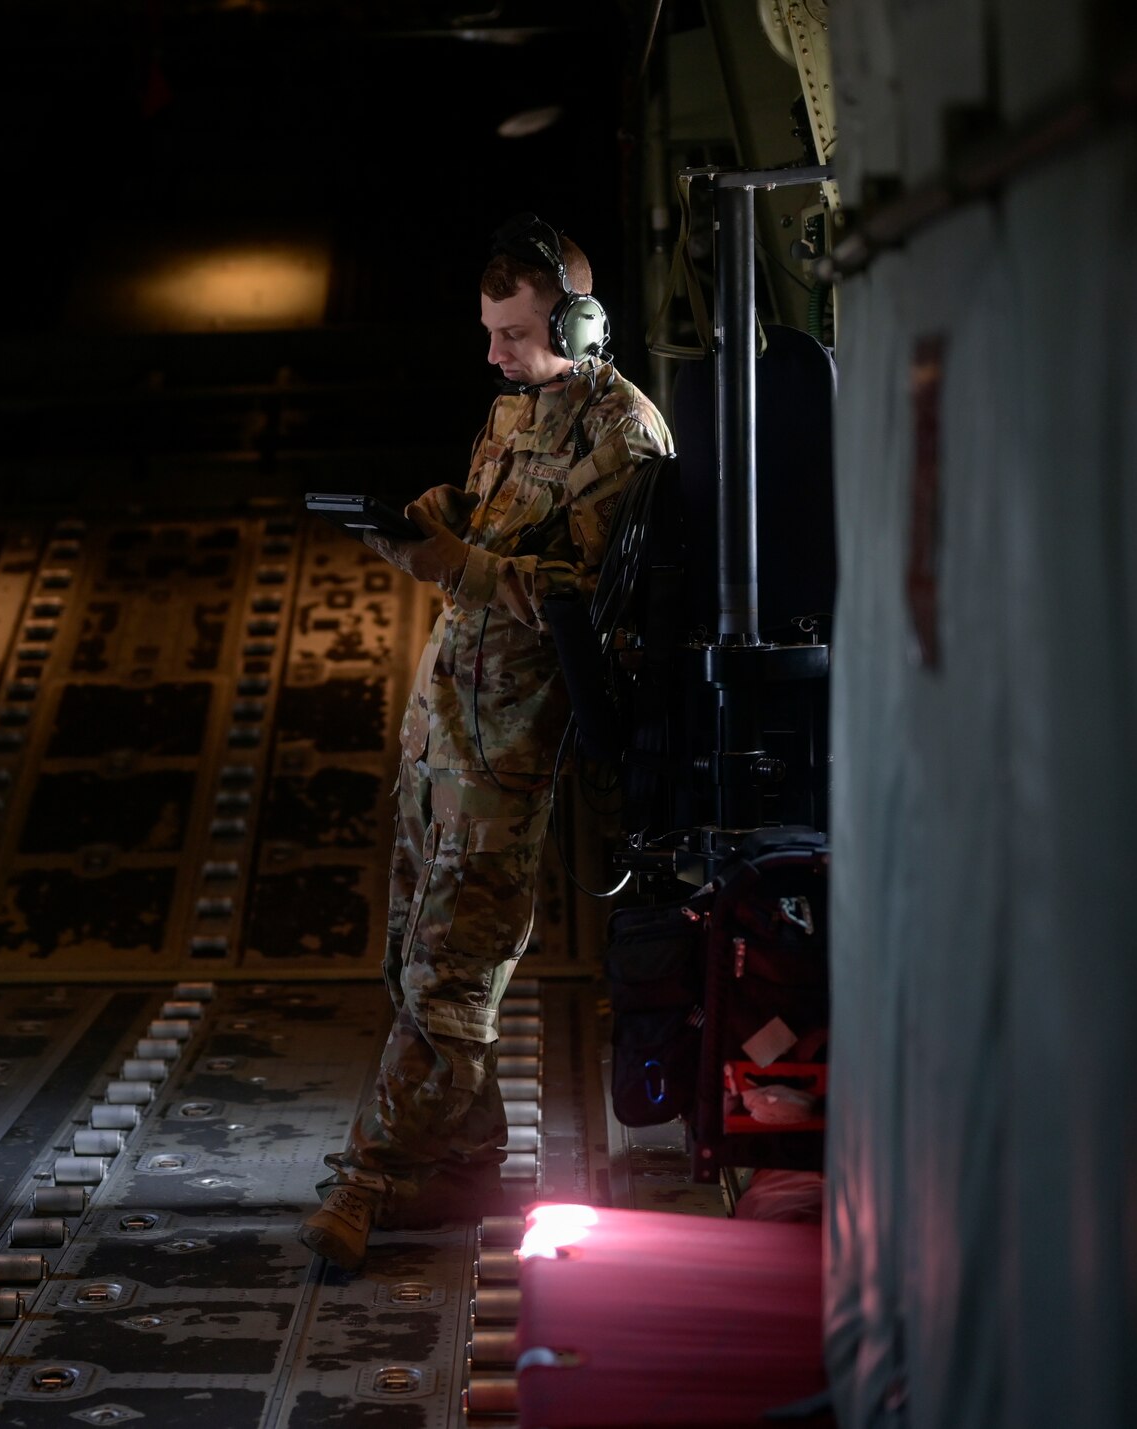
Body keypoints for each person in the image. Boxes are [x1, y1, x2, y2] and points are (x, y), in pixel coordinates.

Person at [298, 215, 673, 1271]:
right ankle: (462, 1167)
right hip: (441, 737)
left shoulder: (624, 439)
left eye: (510, 335)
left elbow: (591, 605)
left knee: (448, 980)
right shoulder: (512, 414)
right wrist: (424, 521)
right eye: (489, 333)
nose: (493, 355)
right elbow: (481, 529)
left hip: (509, 749)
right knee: (406, 959)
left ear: (580, 325)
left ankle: (367, 1176)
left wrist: (453, 563)